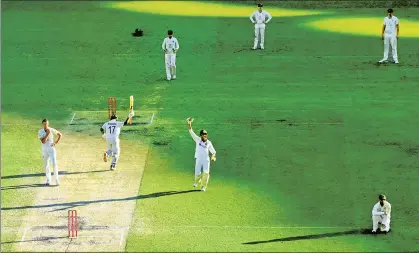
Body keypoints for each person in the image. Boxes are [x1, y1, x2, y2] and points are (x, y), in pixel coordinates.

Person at [186, 117, 216, 192]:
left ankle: (203, 186)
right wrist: (189, 122)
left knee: (206, 173)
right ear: (200, 135)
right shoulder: (197, 139)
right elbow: (190, 131)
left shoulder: (209, 143)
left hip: (206, 160)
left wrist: (213, 156)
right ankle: (196, 182)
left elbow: (213, 152)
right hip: (198, 159)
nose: (204, 136)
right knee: (197, 173)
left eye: (205, 134)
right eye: (203, 135)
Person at [38, 119, 62, 186]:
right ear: (42, 124)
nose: (46, 125)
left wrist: (55, 142)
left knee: (54, 163)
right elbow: (43, 141)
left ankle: (56, 180)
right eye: (44, 124)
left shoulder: (51, 129)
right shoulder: (40, 131)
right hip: (44, 150)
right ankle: (48, 180)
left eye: (47, 124)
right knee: (46, 165)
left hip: (51, 149)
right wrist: (48, 133)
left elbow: (60, 135)